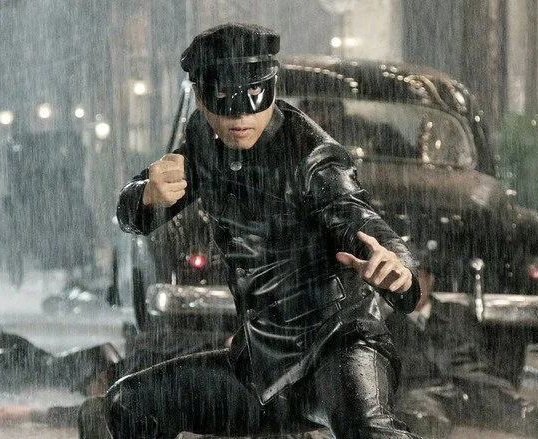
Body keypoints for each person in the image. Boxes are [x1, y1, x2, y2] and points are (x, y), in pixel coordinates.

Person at [57, 23, 422, 439]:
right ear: (201, 98)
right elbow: (133, 212)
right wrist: (145, 196)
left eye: (254, 94)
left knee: (370, 430)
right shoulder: (203, 140)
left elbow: (359, 217)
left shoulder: (312, 156)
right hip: (260, 367)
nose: (241, 117)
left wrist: (398, 268)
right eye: (225, 100)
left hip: (338, 347)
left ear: (272, 87)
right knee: (124, 407)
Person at [387, 265, 538, 439]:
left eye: (419, 277)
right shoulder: (391, 325)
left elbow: (480, 349)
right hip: (424, 388)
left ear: (430, 280)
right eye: (408, 279)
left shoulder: (456, 313)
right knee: (421, 417)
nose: (414, 286)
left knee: (504, 403)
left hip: (470, 382)